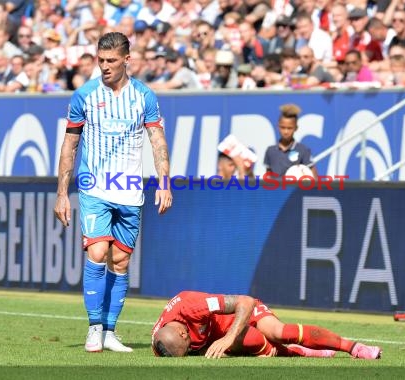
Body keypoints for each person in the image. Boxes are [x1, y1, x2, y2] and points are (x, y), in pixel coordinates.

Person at [54, 32, 173, 353]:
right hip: (94, 187)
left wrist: (164, 182)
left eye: (111, 61)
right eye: (100, 60)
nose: (105, 66)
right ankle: (94, 327)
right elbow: (70, 144)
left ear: (126, 60)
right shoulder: (84, 95)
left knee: (120, 262)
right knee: (96, 253)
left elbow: (157, 140)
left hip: (131, 190)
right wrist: (62, 193)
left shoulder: (144, 96)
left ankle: (109, 330)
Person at [151, 291, 382, 359]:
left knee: (280, 332)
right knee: (258, 344)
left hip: (241, 314)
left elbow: (246, 302)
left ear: (182, 331)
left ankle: (353, 347)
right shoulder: (161, 343)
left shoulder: (194, 306)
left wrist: (228, 339)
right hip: (218, 334)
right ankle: (300, 352)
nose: (189, 349)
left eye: (188, 346)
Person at [264, 104, 319, 179]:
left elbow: (314, 178)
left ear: (296, 128)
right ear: (278, 126)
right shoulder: (270, 151)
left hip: (295, 190)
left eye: (289, 128)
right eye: (283, 127)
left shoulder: (303, 150)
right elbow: (267, 177)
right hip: (276, 190)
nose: (286, 131)